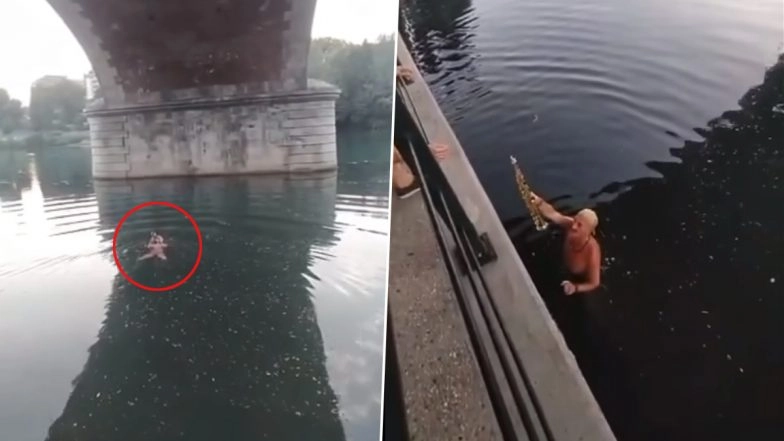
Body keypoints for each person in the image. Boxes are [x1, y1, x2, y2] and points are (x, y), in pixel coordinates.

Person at [529, 192, 602, 295]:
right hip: (562, 266)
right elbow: (554, 214)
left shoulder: (592, 251)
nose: (574, 226)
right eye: (575, 220)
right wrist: (539, 202)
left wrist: (575, 287)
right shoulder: (569, 224)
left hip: (577, 278)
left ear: (589, 231)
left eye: (579, 225)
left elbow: (594, 283)